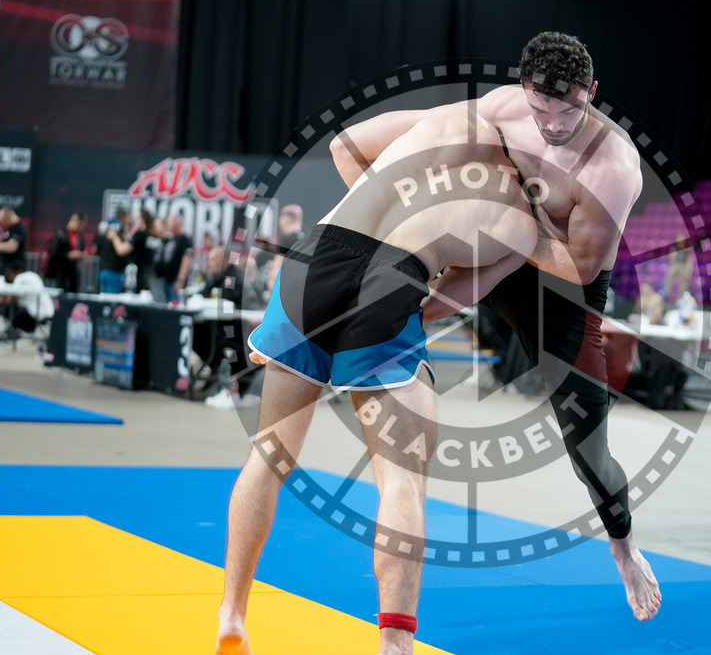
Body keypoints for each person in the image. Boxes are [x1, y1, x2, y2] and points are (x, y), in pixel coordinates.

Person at [330, 31, 659, 623]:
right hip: (498, 241)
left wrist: (515, 225)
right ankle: (337, 338)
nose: (554, 124)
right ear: (524, 89)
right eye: (542, 108)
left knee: (588, 446)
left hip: (563, 291)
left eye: (569, 110)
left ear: (593, 92)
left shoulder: (612, 165)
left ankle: (623, 544)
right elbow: (360, 145)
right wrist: (384, 209)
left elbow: (580, 264)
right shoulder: (505, 107)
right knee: (400, 285)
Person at [217, 110, 537, 655]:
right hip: (395, 277)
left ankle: (232, 613)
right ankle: (394, 643)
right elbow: (444, 305)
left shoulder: (456, 122)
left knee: (268, 456)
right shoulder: (522, 223)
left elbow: (346, 145)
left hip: (315, 257)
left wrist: (377, 208)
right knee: (402, 482)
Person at [265, 204, 305, 293]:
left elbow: (278, 262)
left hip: (285, 288)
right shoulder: (304, 239)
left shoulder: (287, 239)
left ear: (286, 221)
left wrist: (272, 281)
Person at [46, 212, 87, 293]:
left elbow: (82, 248)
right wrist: (68, 255)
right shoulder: (61, 234)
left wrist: (81, 254)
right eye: (80, 225)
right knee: (61, 293)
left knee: (74, 292)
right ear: (74, 221)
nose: (81, 228)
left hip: (74, 270)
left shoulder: (79, 236)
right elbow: (54, 253)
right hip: (61, 270)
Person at [157, 214, 194, 302]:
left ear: (177, 223)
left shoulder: (185, 240)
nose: (168, 224)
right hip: (165, 280)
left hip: (175, 282)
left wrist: (180, 280)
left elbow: (187, 261)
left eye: (170, 222)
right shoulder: (170, 239)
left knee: (175, 305)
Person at [127, 209, 164, 294]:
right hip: (152, 274)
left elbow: (124, 249)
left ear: (142, 220)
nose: (135, 221)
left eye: (137, 218)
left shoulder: (140, 234)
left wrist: (114, 238)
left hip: (140, 274)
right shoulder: (153, 235)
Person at [96, 209, 130, 294]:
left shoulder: (106, 226)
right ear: (123, 217)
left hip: (103, 270)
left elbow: (96, 249)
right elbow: (122, 250)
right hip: (113, 271)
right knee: (111, 302)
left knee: (106, 299)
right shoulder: (119, 229)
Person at [0, 207, 27, 280]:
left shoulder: (19, 228)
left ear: (8, 217)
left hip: (14, 269)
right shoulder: (11, 228)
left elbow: (12, 247)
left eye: (3, 221)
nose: (3, 224)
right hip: (6, 267)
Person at [663, 234, 694, 302]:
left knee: (684, 279)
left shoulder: (688, 248)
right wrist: (675, 253)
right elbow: (670, 258)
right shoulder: (674, 247)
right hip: (676, 264)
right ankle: (667, 293)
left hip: (684, 265)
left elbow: (690, 260)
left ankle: (680, 297)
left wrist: (689, 270)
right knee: (669, 274)